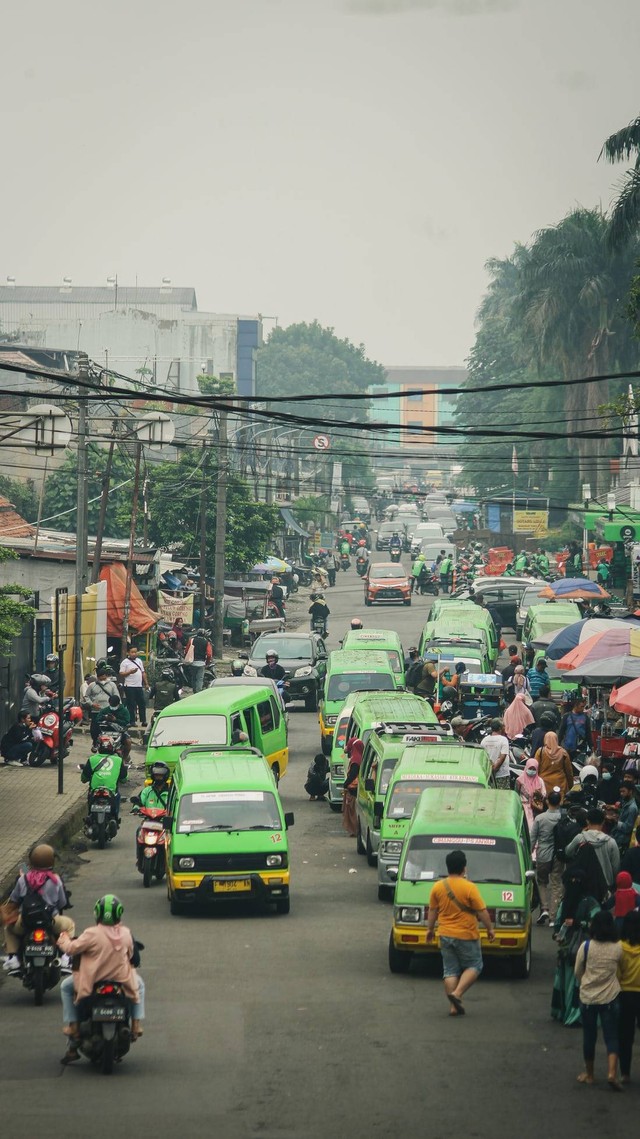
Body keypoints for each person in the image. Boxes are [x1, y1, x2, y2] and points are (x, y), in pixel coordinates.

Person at [57, 895, 145, 1063]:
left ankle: (74, 1025)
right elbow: (132, 956)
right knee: (139, 985)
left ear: (97, 913)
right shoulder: (126, 933)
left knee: (66, 987)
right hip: (122, 981)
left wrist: (63, 939)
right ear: (119, 914)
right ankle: (135, 1024)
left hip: (92, 981)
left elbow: (71, 949)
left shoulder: (91, 933)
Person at [426, 848, 495, 1016]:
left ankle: (453, 1006)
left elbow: (433, 911)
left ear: (447, 867)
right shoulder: (470, 887)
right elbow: (482, 912)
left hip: (445, 934)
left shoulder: (438, 887)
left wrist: (430, 929)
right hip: (467, 934)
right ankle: (457, 994)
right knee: (475, 965)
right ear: (464, 867)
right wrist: (490, 929)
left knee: (450, 970)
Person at [2, 844, 74, 972]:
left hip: (25, 922)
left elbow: (14, 899)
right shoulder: (56, 880)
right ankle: (65, 956)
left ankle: (13, 957)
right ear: (51, 861)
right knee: (69, 926)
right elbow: (62, 903)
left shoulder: (23, 879)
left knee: (9, 927)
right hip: (51, 921)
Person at [574, 910, 623, 1089]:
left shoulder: (586, 947)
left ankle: (589, 1074)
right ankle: (611, 1073)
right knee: (611, 1037)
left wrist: (585, 982)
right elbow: (621, 969)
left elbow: (578, 971)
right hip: (610, 997)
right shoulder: (618, 948)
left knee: (589, 1036)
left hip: (588, 998)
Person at [566, 808, 621, 895]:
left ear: (587, 821)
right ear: (603, 822)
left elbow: (568, 852)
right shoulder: (611, 842)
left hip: (584, 883)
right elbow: (616, 867)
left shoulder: (580, 838)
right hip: (606, 885)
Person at [80, 728, 129, 822]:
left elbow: (84, 778)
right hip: (111, 791)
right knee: (117, 796)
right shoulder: (118, 760)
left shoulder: (92, 759)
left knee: (90, 796)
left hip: (95, 790)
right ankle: (115, 818)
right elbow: (124, 778)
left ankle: (89, 815)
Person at [530, 790, 563, 925]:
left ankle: (544, 908)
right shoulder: (562, 817)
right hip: (558, 855)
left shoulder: (540, 818)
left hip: (543, 853)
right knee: (556, 884)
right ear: (560, 802)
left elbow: (533, 839)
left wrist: (529, 854)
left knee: (542, 882)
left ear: (547, 801)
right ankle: (553, 916)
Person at [618, 909, 640, 1083]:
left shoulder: (620, 948)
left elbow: (617, 975)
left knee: (625, 1036)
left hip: (625, 995)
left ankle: (625, 1072)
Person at [85, 666, 120, 745]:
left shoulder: (112, 685)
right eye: (100, 677)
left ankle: (109, 743)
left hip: (108, 710)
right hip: (96, 711)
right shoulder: (92, 685)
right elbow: (86, 696)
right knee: (94, 728)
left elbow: (117, 696)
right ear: (97, 677)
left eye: (104, 677)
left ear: (106, 676)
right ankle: (95, 742)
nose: (102, 679)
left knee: (108, 727)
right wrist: (92, 704)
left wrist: (118, 707)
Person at [536, 731, 574, 799]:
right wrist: (571, 785)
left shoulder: (540, 751)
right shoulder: (563, 753)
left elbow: (535, 768)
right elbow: (569, 771)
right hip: (560, 785)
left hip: (544, 785)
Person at [94, 695, 132, 760]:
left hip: (120, 732)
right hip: (106, 732)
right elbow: (97, 719)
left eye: (114, 705)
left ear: (118, 704)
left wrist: (115, 720)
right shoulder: (105, 710)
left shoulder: (124, 711)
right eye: (111, 704)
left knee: (128, 742)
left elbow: (126, 721)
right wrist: (104, 718)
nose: (112, 707)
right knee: (98, 740)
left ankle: (124, 760)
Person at [119, 647, 148, 728]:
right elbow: (121, 673)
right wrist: (130, 672)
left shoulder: (139, 661)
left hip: (139, 686)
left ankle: (143, 720)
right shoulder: (125, 662)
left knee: (142, 703)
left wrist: (146, 683)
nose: (134, 654)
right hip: (129, 686)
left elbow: (143, 672)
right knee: (131, 704)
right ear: (128, 653)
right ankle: (132, 721)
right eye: (132, 652)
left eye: (135, 652)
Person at [515, 756, 547, 829]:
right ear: (526, 767)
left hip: (536, 808)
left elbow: (544, 794)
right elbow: (516, 793)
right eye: (530, 768)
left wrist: (539, 794)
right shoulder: (519, 780)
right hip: (523, 807)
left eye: (534, 769)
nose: (532, 771)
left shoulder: (540, 781)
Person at [342, 738, 363, 836]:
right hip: (357, 788)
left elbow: (353, 775)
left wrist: (345, 784)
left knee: (352, 811)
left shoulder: (355, 760)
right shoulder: (361, 757)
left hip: (353, 788)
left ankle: (354, 830)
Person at [482, 718, 510, 789]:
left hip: (488, 775)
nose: (505, 728)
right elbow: (502, 756)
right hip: (501, 775)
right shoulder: (503, 740)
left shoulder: (484, 740)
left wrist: (490, 770)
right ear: (500, 728)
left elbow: (482, 756)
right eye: (504, 726)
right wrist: (495, 768)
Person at [613, 782, 640, 853]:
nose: (621, 794)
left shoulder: (632, 808)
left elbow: (628, 828)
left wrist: (616, 822)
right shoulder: (625, 803)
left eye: (623, 791)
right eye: (620, 792)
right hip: (617, 836)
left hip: (623, 841)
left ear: (630, 791)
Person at [185, 628, 213, 693]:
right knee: (200, 679)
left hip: (192, 662)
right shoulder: (206, 642)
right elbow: (209, 654)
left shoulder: (192, 640)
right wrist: (207, 662)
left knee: (193, 678)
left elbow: (186, 650)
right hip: (201, 663)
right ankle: (198, 692)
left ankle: (194, 691)